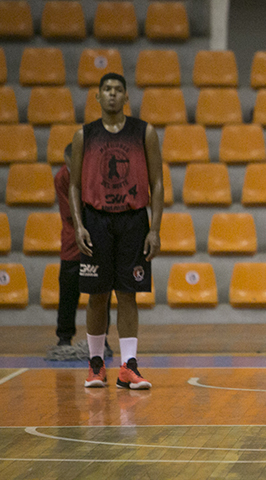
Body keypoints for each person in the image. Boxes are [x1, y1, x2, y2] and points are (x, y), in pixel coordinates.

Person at [69, 73, 163, 389]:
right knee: (96, 295)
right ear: (97, 97)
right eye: (106, 89)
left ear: (126, 97)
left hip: (133, 220)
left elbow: (158, 183)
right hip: (96, 220)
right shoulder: (85, 135)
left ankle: (128, 366)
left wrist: (155, 229)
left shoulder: (144, 132)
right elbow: (73, 185)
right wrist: (79, 224)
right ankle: (97, 364)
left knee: (128, 293)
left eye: (118, 90)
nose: (112, 94)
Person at [53, 143, 113, 355]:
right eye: (70, 167)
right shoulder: (61, 178)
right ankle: (64, 337)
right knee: (68, 292)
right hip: (72, 242)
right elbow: (71, 213)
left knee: (101, 292)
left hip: (98, 241)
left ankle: (102, 339)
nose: (73, 171)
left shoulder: (97, 175)